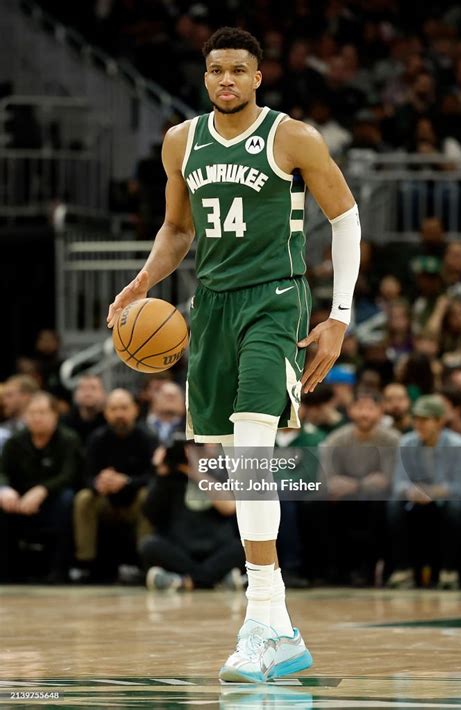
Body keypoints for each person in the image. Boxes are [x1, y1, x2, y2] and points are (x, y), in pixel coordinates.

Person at [107, 27, 361, 683]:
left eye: (238, 70)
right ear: (205, 76)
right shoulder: (180, 142)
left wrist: (338, 317)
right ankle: (277, 632)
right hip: (211, 306)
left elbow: (346, 217)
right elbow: (178, 229)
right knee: (232, 458)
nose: (225, 79)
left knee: (251, 452)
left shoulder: (292, 136)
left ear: (257, 78)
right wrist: (143, 281)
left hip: (275, 299)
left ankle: (262, 617)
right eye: (215, 69)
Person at [387, 395, 461, 590]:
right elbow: (398, 482)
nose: (419, 424)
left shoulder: (458, 444)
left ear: (440, 421)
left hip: (446, 501)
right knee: (393, 504)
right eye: (416, 419)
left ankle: (449, 571)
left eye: (425, 420)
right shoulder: (407, 442)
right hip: (417, 500)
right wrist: (411, 491)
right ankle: (403, 570)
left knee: (456, 508)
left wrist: (436, 491)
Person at [73, 389, 157, 581]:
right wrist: (98, 482)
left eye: (124, 408)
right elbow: (84, 476)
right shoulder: (97, 438)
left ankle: (144, 563)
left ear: (135, 410)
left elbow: (154, 477)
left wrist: (126, 481)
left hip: (134, 501)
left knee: (148, 496)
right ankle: (85, 564)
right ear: (106, 413)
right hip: (106, 501)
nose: (119, 414)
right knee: (83, 498)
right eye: (114, 409)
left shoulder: (147, 437)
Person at [0, 392, 82, 582]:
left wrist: (42, 490)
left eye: (42, 412)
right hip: (20, 500)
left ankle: (59, 569)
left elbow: (69, 475)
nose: (37, 417)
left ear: (55, 415)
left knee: (68, 499)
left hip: (54, 498)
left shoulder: (69, 439)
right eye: (32, 413)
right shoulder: (15, 442)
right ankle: (7, 570)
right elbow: (2, 471)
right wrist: (4, 489)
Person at [320, 390, 400, 584]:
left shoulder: (392, 439)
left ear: (381, 411)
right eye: (360, 408)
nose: (365, 414)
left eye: (370, 409)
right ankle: (330, 572)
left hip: (378, 498)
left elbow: (387, 480)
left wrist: (354, 485)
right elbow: (327, 479)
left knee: (373, 504)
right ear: (350, 411)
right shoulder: (336, 439)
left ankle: (367, 571)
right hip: (344, 497)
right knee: (318, 504)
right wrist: (363, 484)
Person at [140, 442, 245, 591]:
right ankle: (214, 579)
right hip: (181, 549)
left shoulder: (222, 469)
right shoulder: (169, 477)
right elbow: (151, 514)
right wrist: (161, 472)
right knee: (149, 545)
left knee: (244, 547)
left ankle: (182, 582)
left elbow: (228, 507)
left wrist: (196, 473)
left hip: (217, 547)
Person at [61, 374, 107, 444]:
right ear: (75, 394)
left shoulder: (109, 421)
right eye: (83, 388)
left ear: (103, 394)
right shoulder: (66, 423)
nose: (88, 393)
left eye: (93, 388)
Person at [0, 375, 40, 451]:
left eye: (9, 395)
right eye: (3, 397)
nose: (4, 401)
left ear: (26, 396)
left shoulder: (42, 426)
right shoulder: (3, 429)